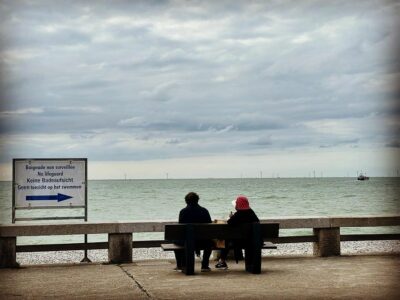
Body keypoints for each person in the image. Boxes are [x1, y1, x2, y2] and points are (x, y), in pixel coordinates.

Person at [215, 195, 259, 270]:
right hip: (252, 240)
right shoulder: (251, 213)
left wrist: (231, 217)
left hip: (239, 242)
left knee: (226, 239)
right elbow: (257, 221)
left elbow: (229, 223)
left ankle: (222, 260)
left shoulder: (238, 215)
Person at [174, 192, 213, 272]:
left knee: (175, 242)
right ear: (197, 200)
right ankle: (205, 265)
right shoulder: (204, 211)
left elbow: (181, 229)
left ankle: (180, 265)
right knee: (210, 243)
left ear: (186, 201)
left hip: (187, 242)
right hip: (203, 241)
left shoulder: (183, 212)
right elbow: (209, 227)